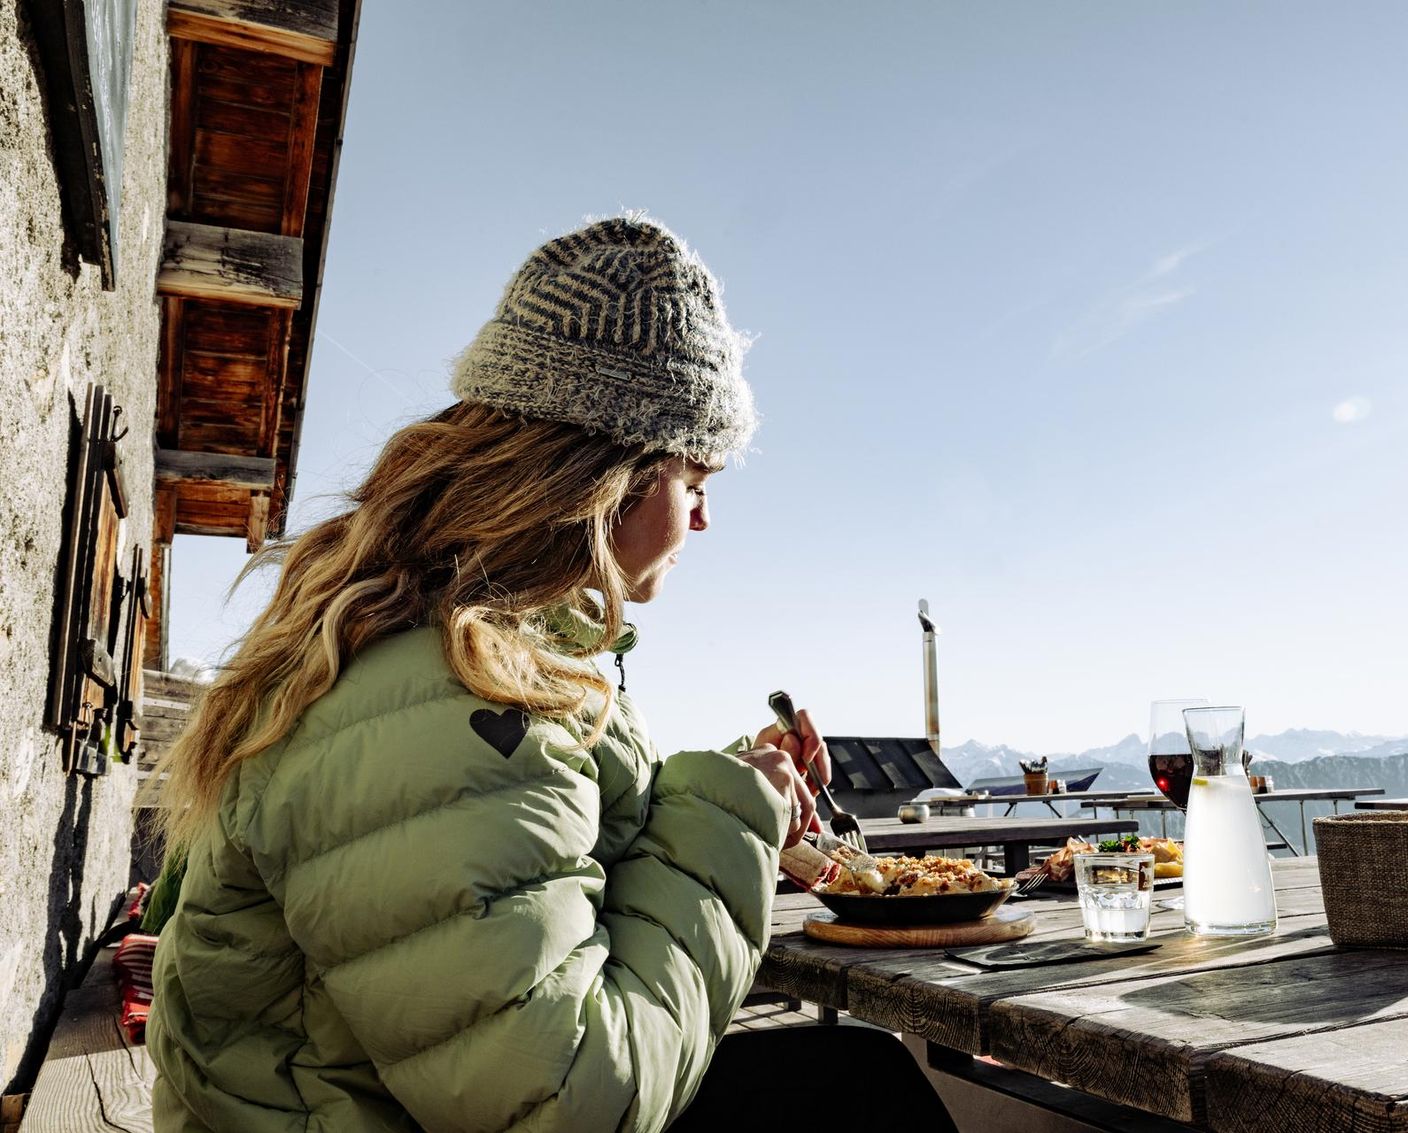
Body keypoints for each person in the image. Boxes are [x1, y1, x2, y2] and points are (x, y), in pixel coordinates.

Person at [146, 215, 957, 1132]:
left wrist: (736, 784)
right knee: (857, 1098)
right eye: (697, 484)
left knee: (852, 1077)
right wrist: (728, 819)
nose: (701, 523)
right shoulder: (452, 692)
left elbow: (521, 847)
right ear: (618, 475)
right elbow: (566, 1098)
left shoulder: (447, 643)